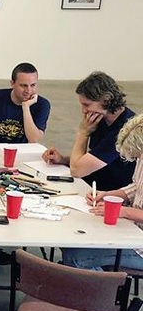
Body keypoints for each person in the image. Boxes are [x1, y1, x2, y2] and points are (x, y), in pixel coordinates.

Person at [61, 113, 143, 271]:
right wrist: (109, 194)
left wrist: (124, 211)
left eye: (137, 155)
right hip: (130, 230)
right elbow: (136, 187)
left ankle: (102, 291)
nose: (137, 158)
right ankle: (97, 285)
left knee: (76, 256)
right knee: (69, 241)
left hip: (139, 247)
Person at [42, 71, 136, 190]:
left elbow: (77, 170)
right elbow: (92, 159)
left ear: (106, 101)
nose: (84, 111)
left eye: (87, 105)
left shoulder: (125, 129)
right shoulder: (100, 118)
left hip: (110, 192)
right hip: (92, 184)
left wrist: (83, 133)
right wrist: (63, 159)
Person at [0, 62, 51, 143]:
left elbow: (33, 139)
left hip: (21, 152)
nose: (28, 91)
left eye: (33, 85)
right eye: (23, 86)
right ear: (12, 84)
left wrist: (26, 107)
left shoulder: (42, 105)